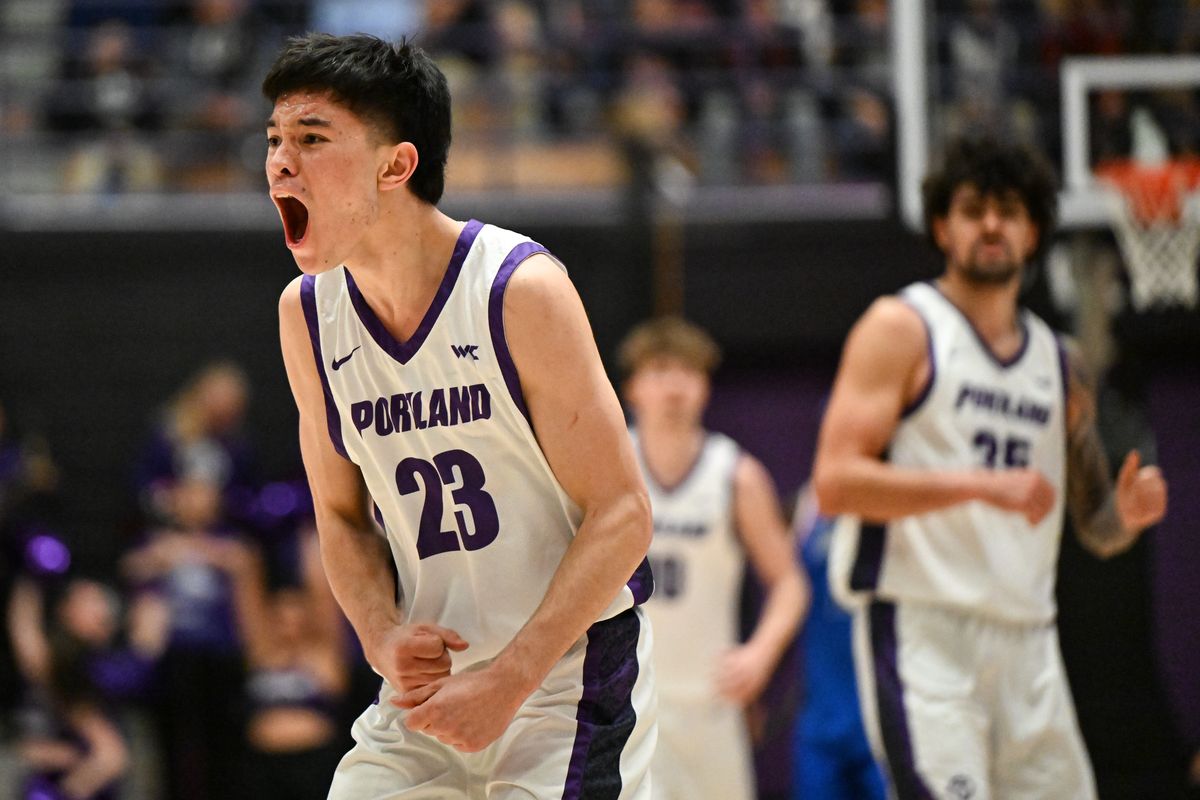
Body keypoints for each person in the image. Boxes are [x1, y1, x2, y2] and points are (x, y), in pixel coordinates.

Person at [265, 33, 656, 799]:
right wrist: (380, 635)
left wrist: (511, 678)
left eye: (312, 138)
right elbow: (340, 519)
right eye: (275, 139)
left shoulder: (519, 290)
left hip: (568, 681)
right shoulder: (306, 315)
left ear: (396, 165)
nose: (280, 161)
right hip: (428, 692)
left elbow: (625, 514)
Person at [813, 136, 1168, 798]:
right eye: (973, 210)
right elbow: (835, 484)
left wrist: (1128, 517)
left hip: (1031, 642)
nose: (992, 225)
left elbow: (1094, 526)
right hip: (926, 633)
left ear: (1033, 231)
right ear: (944, 227)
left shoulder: (1060, 364)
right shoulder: (902, 327)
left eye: (1008, 211)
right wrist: (978, 485)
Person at [617, 317, 805, 800]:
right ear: (633, 387)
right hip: (630, 700)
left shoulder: (736, 475)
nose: (674, 386)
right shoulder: (612, 470)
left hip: (712, 706)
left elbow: (789, 584)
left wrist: (760, 654)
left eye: (687, 372)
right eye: (660, 371)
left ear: (705, 387)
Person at [788, 488, 885, 800]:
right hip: (821, 720)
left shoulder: (892, 499)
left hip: (882, 720)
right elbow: (785, 607)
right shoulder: (806, 506)